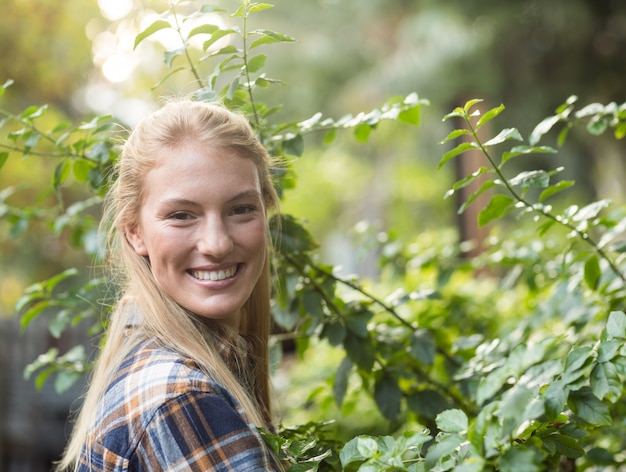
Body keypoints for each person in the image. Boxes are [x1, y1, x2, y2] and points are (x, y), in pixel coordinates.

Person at [56, 99, 283, 471]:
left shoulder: (156, 356)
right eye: (181, 215)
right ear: (135, 233)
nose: (217, 243)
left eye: (241, 209)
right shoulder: (183, 399)